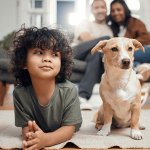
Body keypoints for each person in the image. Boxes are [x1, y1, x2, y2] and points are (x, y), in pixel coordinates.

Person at [11, 26, 82, 149]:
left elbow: (69, 129)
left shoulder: (69, 90)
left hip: (64, 127)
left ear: (61, 62)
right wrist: (32, 138)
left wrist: (46, 140)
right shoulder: (19, 93)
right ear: (24, 63)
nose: (47, 59)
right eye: (39, 52)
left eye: (54, 54)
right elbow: (26, 127)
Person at [71, 0, 113, 110]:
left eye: (102, 7)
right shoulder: (85, 23)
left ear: (106, 9)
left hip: (93, 56)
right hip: (76, 53)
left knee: (96, 55)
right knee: (106, 40)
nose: (100, 10)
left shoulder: (109, 29)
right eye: (96, 7)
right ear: (91, 10)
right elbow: (85, 38)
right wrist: (105, 42)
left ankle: (82, 96)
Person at [108, 0, 150, 65]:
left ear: (125, 10)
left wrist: (128, 44)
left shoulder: (135, 22)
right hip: (125, 55)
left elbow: (146, 38)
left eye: (119, 10)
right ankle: (139, 68)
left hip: (141, 50)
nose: (116, 13)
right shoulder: (111, 27)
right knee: (132, 63)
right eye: (113, 11)